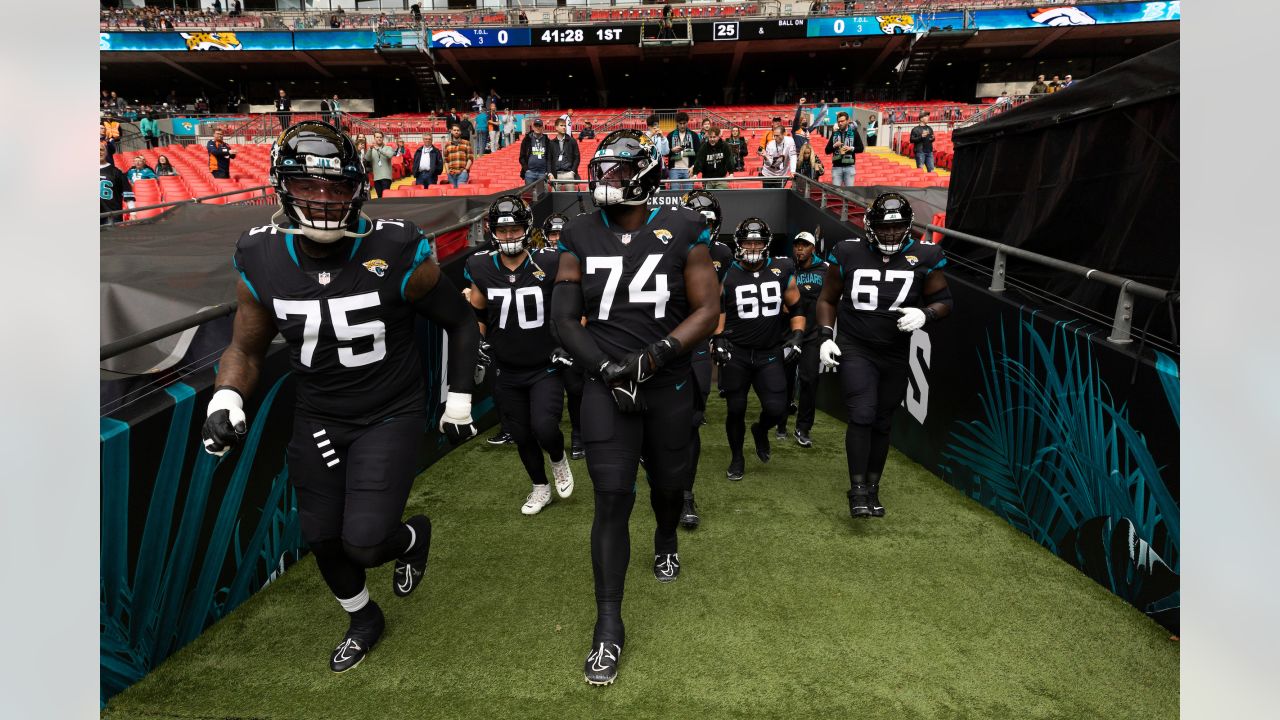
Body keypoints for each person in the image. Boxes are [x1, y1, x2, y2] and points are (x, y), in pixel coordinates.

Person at [201, 120, 481, 673]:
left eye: (336, 187)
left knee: (367, 539)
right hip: (319, 415)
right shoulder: (261, 256)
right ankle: (363, 617)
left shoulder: (396, 248)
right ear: (283, 187)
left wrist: (460, 395)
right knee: (322, 538)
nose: (324, 200)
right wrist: (226, 399)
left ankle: (409, 537)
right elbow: (246, 348)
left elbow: (461, 322)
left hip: (389, 411)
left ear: (359, 187)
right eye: (309, 186)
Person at [550, 129, 719, 685]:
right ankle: (607, 623)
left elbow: (707, 309)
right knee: (612, 497)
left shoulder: (685, 229)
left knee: (670, 486)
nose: (605, 182)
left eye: (617, 174)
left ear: (645, 178)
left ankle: (666, 538)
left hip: (665, 382)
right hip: (606, 384)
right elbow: (562, 316)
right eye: (602, 172)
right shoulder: (576, 233)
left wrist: (652, 358)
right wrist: (605, 370)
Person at [816, 193, 952, 519]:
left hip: (894, 350)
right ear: (869, 226)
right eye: (884, 227)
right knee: (862, 412)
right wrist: (824, 336)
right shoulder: (848, 252)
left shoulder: (925, 255)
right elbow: (827, 299)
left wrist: (927, 315)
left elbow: (945, 300)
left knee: (882, 420)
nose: (890, 234)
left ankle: (873, 487)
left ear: (908, 227)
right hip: (855, 344)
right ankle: (857, 489)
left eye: (897, 227)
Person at [465, 197, 575, 514]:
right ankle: (540, 488)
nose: (509, 235)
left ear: (526, 229)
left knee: (545, 428)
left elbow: (572, 306)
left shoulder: (550, 262)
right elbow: (479, 314)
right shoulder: (480, 265)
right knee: (522, 434)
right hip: (507, 369)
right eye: (503, 229)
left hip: (545, 365)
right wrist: (477, 344)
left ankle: (557, 458)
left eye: (514, 229)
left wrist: (567, 343)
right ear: (492, 231)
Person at [713, 218, 805, 481]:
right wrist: (717, 338)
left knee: (777, 409)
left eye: (758, 242)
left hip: (769, 352)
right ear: (738, 244)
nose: (752, 246)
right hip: (737, 352)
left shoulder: (782, 268)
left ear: (766, 244)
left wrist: (797, 334)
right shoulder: (727, 273)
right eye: (747, 242)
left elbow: (797, 307)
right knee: (735, 409)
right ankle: (737, 457)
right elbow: (718, 308)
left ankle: (761, 430)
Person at [678, 190, 735, 529]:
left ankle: (686, 494)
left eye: (707, 222)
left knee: (692, 419)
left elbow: (720, 300)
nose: (701, 228)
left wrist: (719, 336)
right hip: (663, 338)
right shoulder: (662, 244)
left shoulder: (722, 254)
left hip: (696, 343)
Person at [774, 231, 827, 446]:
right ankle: (781, 422)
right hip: (788, 334)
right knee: (783, 381)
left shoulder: (824, 270)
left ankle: (803, 428)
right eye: (797, 245)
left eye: (805, 245)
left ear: (813, 248)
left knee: (809, 381)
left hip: (812, 335)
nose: (800, 249)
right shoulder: (787, 268)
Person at [539, 212, 585, 458]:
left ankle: (578, 435)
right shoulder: (537, 261)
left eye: (560, 233)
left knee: (576, 387)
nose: (556, 239)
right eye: (553, 234)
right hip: (544, 333)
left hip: (571, 331)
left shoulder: (580, 258)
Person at [824, 111, 864, 187]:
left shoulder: (854, 133)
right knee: (836, 193)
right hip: (836, 168)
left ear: (848, 121)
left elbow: (861, 148)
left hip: (849, 167)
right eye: (838, 121)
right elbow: (827, 151)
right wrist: (834, 146)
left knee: (849, 193)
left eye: (842, 121)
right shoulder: (834, 133)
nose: (840, 123)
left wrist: (851, 148)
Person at [100, 142, 134, 226]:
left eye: (101, 150)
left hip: (112, 216)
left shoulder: (117, 172)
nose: (99, 152)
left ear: (106, 152)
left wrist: (133, 213)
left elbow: (127, 193)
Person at [665, 112, 700, 192]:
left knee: (688, 195)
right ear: (677, 123)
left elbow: (698, 153)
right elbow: (665, 152)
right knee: (674, 195)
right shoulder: (670, 135)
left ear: (687, 122)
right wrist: (672, 150)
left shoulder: (694, 135)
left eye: (684, 123)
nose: (682, 125)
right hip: (674, 169)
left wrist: (693, 167)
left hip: (689, 169)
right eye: (680, 123)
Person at [692, 125, 734, 190]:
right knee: (709, 198)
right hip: (707, 179)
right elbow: (699, 161)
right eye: (710, 137)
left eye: (714, 137)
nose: (712, 139)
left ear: (718, 136)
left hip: (721, 178)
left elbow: (729, 160)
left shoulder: (725, 146)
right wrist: (695, 174)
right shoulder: (704, 147)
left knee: (720, 197)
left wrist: (731, 173)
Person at [759, 118, 796, 189]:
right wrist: (765, 157)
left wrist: (793, 170)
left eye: (777, 135)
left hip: (782, 174)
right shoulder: (770, 144)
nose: (775, 138)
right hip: (768, 174)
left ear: (783, 134)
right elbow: (769, 163)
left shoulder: (790, 141)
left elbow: (793, 156)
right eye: (774, 135)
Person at [548, 117, 581, 189]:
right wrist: (550, 173)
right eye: (561, 125)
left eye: (565, 126)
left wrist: (573, 171)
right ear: (556, 127)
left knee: (571, 198)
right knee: (555, 198)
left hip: (569, 173)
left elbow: (577, 157)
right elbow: (549, 159)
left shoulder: (572, 141)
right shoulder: (551, 143)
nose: (564, 127)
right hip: (556, 174)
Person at [364, 131, 396, 199]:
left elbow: (390, 155)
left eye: (380, 137)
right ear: (374, 138)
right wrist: (370, 149)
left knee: (385, 197)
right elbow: (367, 158)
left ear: (383, 138)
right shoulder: (372, 149)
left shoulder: (388, 148)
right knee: (379, 197)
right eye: (377, 137)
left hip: (386, 177)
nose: (379, 139)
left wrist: (379, 149)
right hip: (376, 177)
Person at [519, 118, 549, 185]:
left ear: (542, 127)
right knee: (529, 193)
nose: (538, 127)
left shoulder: (547, 140)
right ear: (533, 127)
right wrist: (526, 169)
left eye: (539, 126)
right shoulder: (527, 139)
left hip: (543, 173)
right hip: (530, 172)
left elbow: (550, 157)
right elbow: (522, 156)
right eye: (536, 126)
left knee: (542, 194)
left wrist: (547, 171)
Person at [444, 123, 474, 188]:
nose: (456, 132)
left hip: (462, 172)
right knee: (453, 194)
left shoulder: (466, 143)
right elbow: (446, 160)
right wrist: (447, 171)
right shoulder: (447, 145)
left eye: (458, 130)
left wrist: (465, 170)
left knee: (461, 192)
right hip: (451, 174)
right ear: (451, 131)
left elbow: (470, 158)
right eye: (454, 130)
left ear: (460, 132)